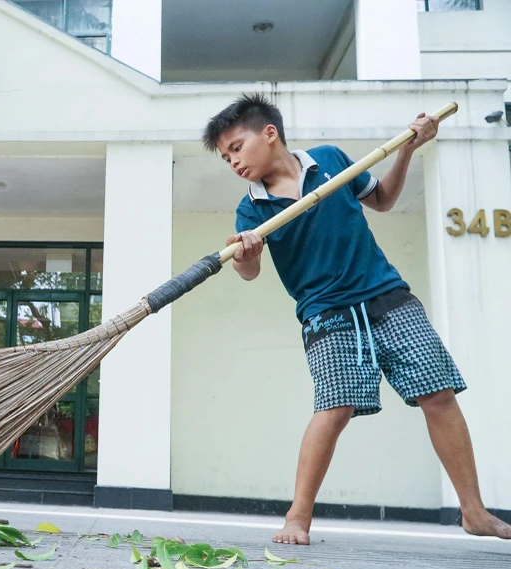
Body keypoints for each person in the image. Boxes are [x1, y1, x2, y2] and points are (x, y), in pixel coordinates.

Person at [202, 93, 511, 545]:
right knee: (335, 408)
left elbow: (382, 199)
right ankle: (297, 519)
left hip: (387, 296)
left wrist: (407, 148)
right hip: (326, 315)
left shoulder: (330, 160)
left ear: (269, 133)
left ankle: (474, 511)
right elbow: (248, 272)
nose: (232, 161)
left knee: (438, 394)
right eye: (225, 156)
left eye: (236, 146)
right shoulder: (253, 208)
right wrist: (244, 255)